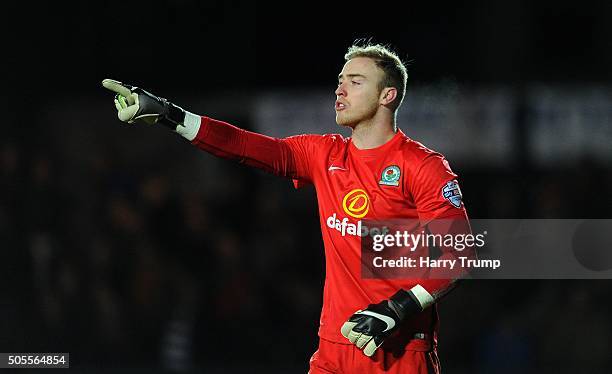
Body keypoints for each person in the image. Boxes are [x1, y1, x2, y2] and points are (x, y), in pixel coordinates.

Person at [102, 42, 472, 374]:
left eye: (356, 81)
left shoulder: (423, 166)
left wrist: (397, 309)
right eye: (341, 79)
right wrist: (172, 115)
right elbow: (245, 146)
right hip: (334, 350)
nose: (340, 88)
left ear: (387, 95)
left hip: (399, 353)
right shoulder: (324, 154)